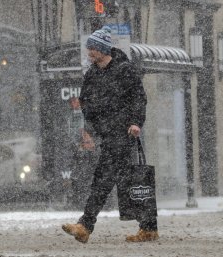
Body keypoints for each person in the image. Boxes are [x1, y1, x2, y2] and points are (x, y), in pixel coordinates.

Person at [61, 27, 158, 243]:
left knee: (104, 180)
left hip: (123, 135)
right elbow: (85, 101)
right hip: (107, 135)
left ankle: (86, 225)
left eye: (93, 49)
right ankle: (148, 227)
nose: (90, 53)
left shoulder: (125, 70)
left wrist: (135, 122)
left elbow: (138, 98)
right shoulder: (92, 74)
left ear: (104, 49)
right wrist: (93, 128)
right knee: (127, 182)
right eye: (89, 48)